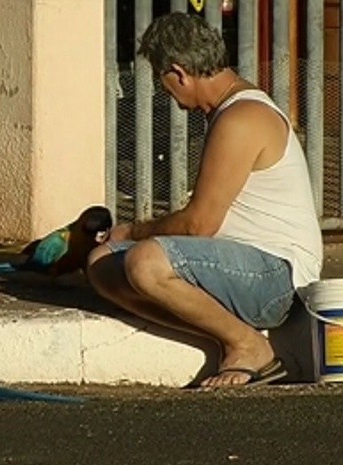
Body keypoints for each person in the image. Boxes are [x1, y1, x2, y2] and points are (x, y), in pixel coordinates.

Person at [87, 12, 323, 388]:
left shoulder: (242, 117)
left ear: (179, 73)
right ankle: (228, 332)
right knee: (102, 264)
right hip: (241, 267)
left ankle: (247, 345)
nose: (169, 96)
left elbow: (200, 225)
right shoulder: (230, 112)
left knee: (146, 262)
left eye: (165, 85)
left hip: (277, 278)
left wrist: (133, 229)